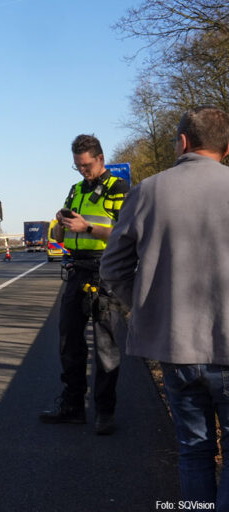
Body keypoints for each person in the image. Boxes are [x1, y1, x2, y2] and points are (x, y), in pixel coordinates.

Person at [100, 106, 229, 509]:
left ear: (184, 141)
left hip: (174, 346)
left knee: (193, 450)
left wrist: (142, 306)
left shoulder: (148, 190)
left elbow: (113, 266)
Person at [38, 134, 129, 435]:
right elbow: (62, 237)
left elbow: (126, 234)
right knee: (69, 343)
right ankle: (73, 406)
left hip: (105, 273)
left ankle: (105, 412)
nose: (83, 172)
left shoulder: (119, 189)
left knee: (106, 347)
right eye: (77, 166)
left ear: (101, 159)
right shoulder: (75, 190)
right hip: (76, 270)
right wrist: (60, 225)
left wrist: (88, 226)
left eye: (87, 166)